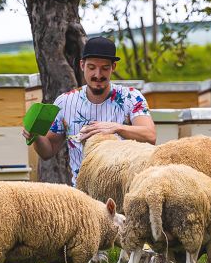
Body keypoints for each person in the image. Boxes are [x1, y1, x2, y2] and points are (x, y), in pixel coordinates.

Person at [25, 36, 156, 186]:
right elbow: (48, 151)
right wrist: (35, 136)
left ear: (113, 67)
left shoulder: (131, 97)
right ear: (82, 65)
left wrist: (117, 127)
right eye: (92, 67)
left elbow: (150, 135)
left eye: (105, 68)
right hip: (82, 194)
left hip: (123, 190)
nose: (98, 75)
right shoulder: (65, 102)